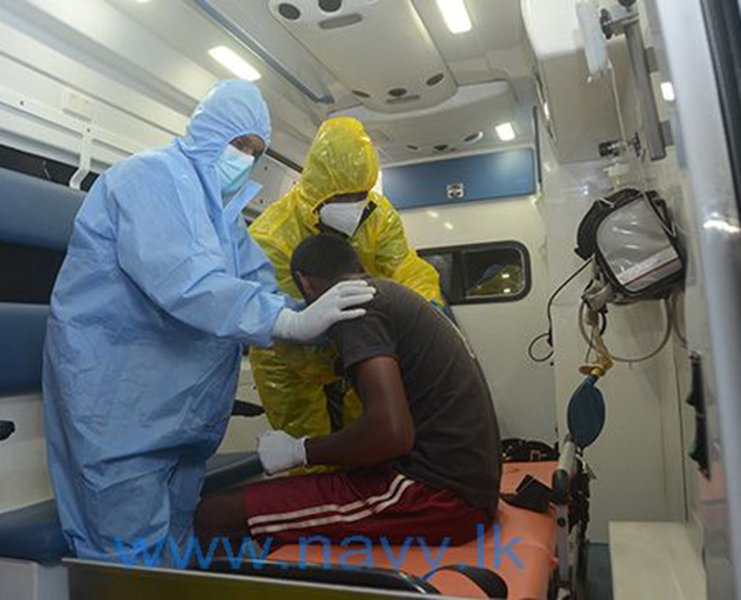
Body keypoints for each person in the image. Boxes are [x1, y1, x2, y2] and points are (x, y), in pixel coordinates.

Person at [43, 81, 375, 565]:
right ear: (209, 131)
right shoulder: (147, 179)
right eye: (239, 143)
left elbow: (257, 282)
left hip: (180, 424)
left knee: (173, 558)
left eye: (256, 151)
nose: (245, 158)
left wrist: (321, 324)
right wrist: (287, 321)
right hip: (120, 412)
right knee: (124, 567)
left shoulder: (224, 217)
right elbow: (187, 282)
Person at [196, 233, 501, 549]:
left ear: (305, 283)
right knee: (280, 505)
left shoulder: (355, 309)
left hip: (437, 499)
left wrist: (299, 450)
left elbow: (391, 433)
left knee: (213, 513)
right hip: (464, 487)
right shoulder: (391, 295)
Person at [249, 117, 450, 447]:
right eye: (341, 198)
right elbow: (276, 315)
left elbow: (404, 267)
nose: (353, 207)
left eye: (359, 194)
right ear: (317, 188)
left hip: (359, 341)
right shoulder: (272, 235)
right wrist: (330, 336)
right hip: (286, 361)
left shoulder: (378, 214)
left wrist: (425, 308)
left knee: (367, 441)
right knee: (308, 448)